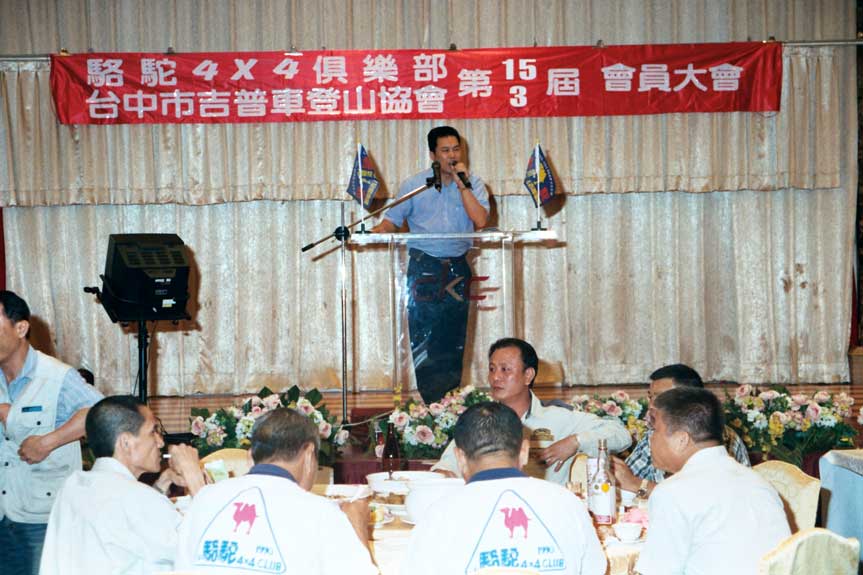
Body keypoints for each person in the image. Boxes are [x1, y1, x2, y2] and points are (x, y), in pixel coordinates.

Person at [404, 401, 606, 575]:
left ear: (460, 458)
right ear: (524, 451)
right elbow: (594, 569)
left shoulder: (437, 515)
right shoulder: (568, 503)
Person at [174, 407, 377, 574]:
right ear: (308, 455)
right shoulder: (322, 512)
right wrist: (357, 524)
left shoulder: (203, 498)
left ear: (250, 457)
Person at [372, 125, 490, 404]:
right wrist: (374, 231)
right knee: (425, 337)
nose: (452, 156)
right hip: (424, 267)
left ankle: (450, 403)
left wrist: (462, 185)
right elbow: (391, 221)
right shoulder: (415, 185)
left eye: (456, 149)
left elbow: (481, 220)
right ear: (433, 155)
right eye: (445, 150)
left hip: (458, 267)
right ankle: (431, 404)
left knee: (454, 337)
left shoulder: (474, 183)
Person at [40, 395, 206, 575]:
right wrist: (193, 473)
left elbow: (128, 518)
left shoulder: (74, 485)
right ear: (125, 442)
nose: (160, 442)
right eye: (153, 432)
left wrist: (163, 481)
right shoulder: (137, 498)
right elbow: (205, 546)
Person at [0, 290, 103, 575]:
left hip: (41, 517)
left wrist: (48, 442)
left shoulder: (57, 376)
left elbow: (99, 413)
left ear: (21, 328)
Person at [433, 338, 631, 485]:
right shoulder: (480, 420)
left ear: (528, 375)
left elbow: (621, 434)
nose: (495, 378)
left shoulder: (559, 418)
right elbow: (447, 466)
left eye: (505, 369)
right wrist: (442, 475)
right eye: (492, 369)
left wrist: (575, 442)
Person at [635, 387, 789, 575]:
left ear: (681, 439)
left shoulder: (671, 492)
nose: (650, 440)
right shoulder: (758, 483)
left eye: (654, 431)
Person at [610, 364, 749, 499]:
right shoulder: (656, 434)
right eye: (651, 397)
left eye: (660, 397)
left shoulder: (716, 437)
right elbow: (627, 480)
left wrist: (638, 485)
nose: (652, 405)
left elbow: (701, 498)